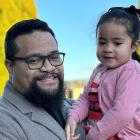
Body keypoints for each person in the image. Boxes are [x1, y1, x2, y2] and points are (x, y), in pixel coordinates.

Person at [0, 19, 86, 140]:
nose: (49, 68)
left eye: (54, 57)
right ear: (10, 67)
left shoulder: (78, 107)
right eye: (34, 60)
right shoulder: (4, 123)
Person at [65, 5, 140, 140]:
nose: (107, 48)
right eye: (102, 42)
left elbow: (122, 114)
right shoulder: (99, 70)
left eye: (117, 43)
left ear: (133, 46)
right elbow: (86, 98)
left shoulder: (132, 71)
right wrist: (73, 117)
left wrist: (93, 136)